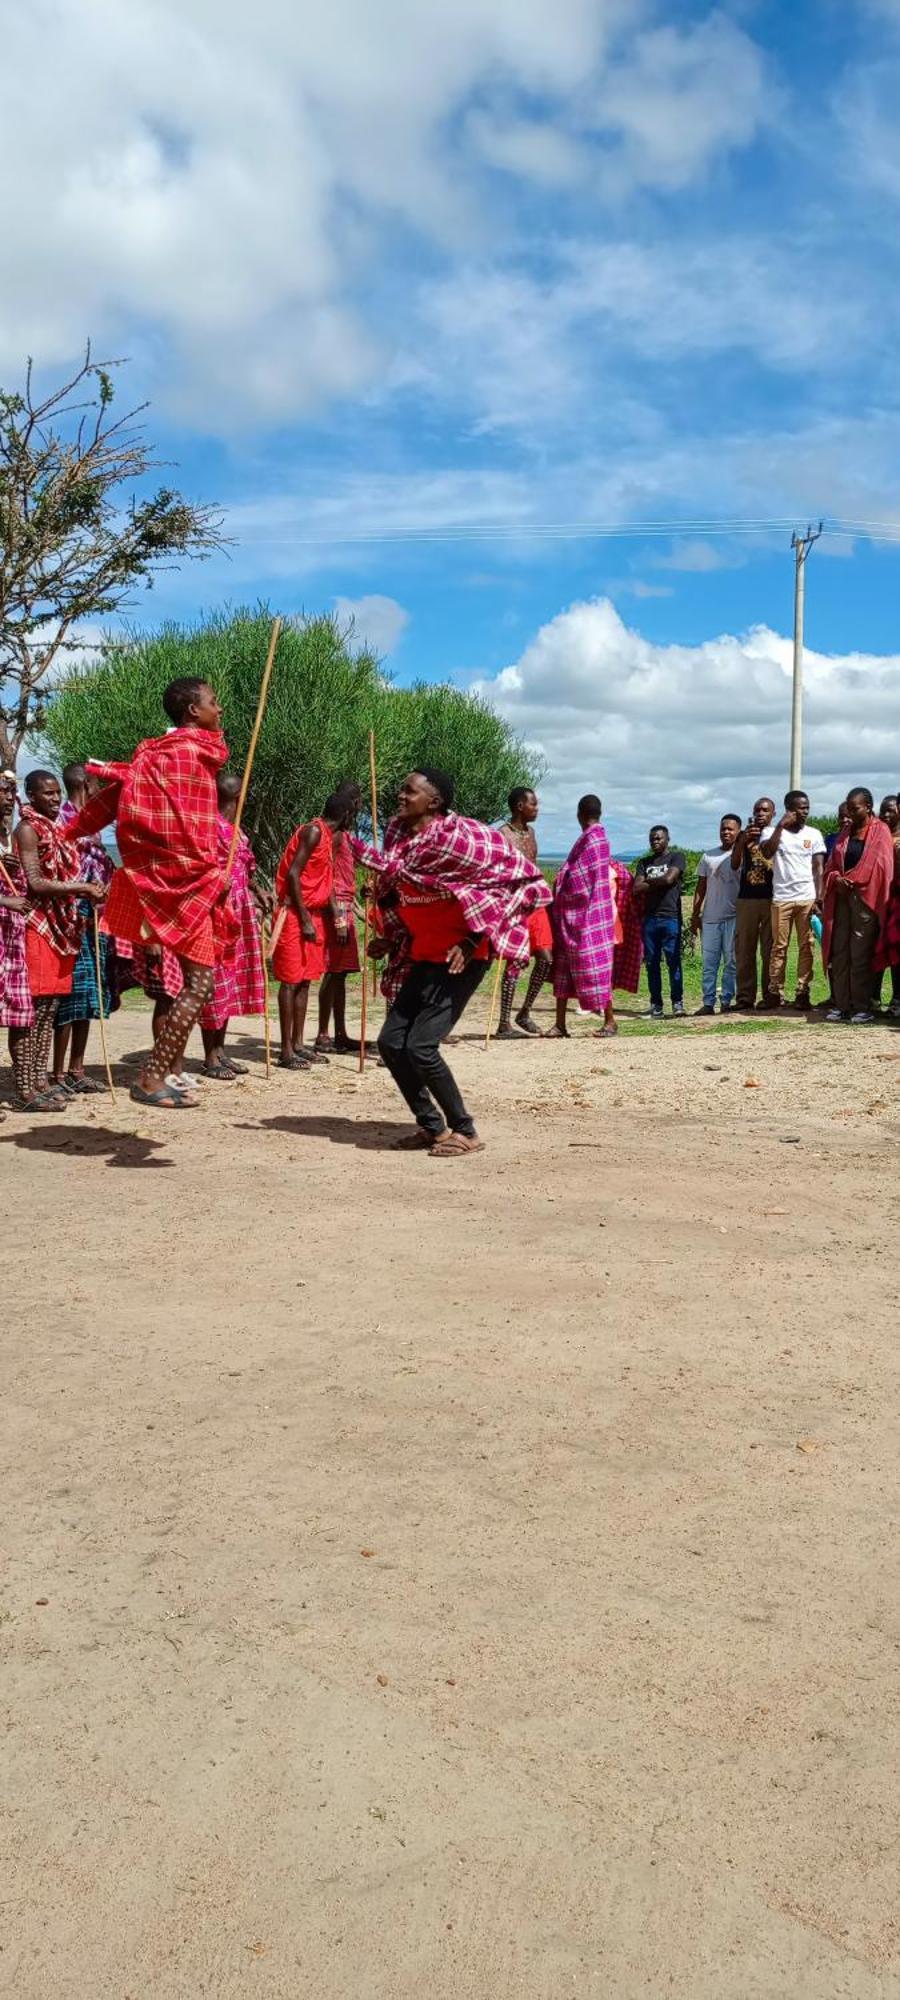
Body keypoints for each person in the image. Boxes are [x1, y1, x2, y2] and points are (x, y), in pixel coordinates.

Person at [353, 768, 550, 1158]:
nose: (401, 795)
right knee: (392, 1043)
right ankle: (432, 1127)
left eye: (410, 791)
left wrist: (473, 937)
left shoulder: (464, 839)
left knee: (422, 1046)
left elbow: (519, 882)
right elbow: (404, 893)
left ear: (435, 801)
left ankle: (466, 1130)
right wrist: (390, 938)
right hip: (422, 955)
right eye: (402, 788)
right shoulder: (400, 843)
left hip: (463, 958)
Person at [74, 677, 232, 1109]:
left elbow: (135, 806)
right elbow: (167, 822)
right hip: (187, 883)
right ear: (192, 712)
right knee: (198, 984)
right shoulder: (182, 755)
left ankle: (158, 1073)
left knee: (198, 984)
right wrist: (203, 866)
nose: (220, 711)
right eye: (213, 703)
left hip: (182, 882)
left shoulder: (165, 756)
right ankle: (152, 1077)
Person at [14, 769, 104, 1110]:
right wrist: (80, 887)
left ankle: (40, 1081)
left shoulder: (57, 829)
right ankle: (26, 1089)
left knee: (50, 1007)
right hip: (39, 923)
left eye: (56, 793)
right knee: (34, 1011)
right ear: (32, 795)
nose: (54, 799)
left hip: (62, 926)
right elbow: (35, 882)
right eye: (46, 794)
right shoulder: (27, 829)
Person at [272, 790, 356, 1070]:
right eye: (354, 811)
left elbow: (327, 883)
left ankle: (298, 1044)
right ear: (346, 814)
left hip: (314, 915)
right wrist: (306, 919)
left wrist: (337, 919)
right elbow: (294, 874)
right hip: (295, 914)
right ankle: (285, 1051)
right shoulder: (312, 832)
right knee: (290, 980)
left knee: (306, 979)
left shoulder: (330, 839)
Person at [51, 762, 119, 1094]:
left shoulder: (91, 827)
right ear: (87, 785)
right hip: (70, 916)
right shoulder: (64, 822)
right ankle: (59, 1073)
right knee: (70, 995)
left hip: (94, 915)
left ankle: (77, 1069)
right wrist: (86, 890)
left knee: (89, 995)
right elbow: (62, 873)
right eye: (97, 786)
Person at [197, 770, 269, 1079]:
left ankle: (221, 1050)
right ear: (238, 798)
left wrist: (256, 889)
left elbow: (245, 871)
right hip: (216, 915)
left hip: (239, 913)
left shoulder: (237, 832)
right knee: (215, 983)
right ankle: (209, 1057)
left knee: (229, 983)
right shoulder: (208, 829)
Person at [822, 787, 895, 1024]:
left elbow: (881, 866)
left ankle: (861, 1007)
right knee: (840, 951)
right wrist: (836, 879)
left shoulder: (880, 831)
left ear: (868, 807)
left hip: (866, 900)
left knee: (860, 953)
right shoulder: (845, 832)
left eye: (855, 808)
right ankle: (842, 1005)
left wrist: (852, 880)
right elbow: (832, 863)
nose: (850, 813)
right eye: (848, 808)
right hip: (841, 899)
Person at [550, 795, 617, 1037]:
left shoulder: (594, 841)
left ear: (579, 813)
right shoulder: (596, 840)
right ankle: (560, 1024)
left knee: (596, 967)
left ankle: (610, 1022)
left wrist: (560, 885)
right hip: (587, 915)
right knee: (563, 967)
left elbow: (579, 880)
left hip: (590, 917)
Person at [760, 790, 826, 1011]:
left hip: (806, 898)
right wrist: (780, 826)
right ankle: (774, 992)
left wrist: (819, 896)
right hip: (782, 898)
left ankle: (802, 991)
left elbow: (818, 868)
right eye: (800, 807)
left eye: (807, 807)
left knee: (806, 946)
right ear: (789, 809)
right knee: (779, 947)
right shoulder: (771, 831)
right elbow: (767, 853)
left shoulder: (814, 834)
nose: (805, 811)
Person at [498, 786, 553, 1037]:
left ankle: (524, 1012)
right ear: (520, 806)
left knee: (545, 958)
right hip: (514, 905)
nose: (537, 808)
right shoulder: (502, 835)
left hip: (535, 904)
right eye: (533, 804)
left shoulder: (531, 833)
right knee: (515, 962)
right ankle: (503, 1023)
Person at [316, 783, 364, 1054]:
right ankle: (323, 1034)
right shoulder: (333, 836)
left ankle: (340, 1032)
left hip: (346, 904)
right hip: (337, 908)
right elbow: (328, 875)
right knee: (333, 971)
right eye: (357, 801)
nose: (360, 806)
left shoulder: (345, 835)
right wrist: (338, 917)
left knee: (341, 974)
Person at [0, 771, 34, 1100]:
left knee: (21, 1015)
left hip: (13, 939)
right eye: (2, 791)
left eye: (11, 791)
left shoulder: (11, 836)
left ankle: (25, 1092)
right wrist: (4, 898)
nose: (8, 797)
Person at [633, 825, 686, 1018]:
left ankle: (678, 1003)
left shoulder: (677, 857)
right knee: (652, 964)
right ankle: (656, 1005)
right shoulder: (644, 862)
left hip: (670, 917)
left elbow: (670, 879)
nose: (655, 841)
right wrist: (660, 880)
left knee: (674, 961)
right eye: (652, 839)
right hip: (650, 920)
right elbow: (636, 888)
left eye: (659, 838)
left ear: (667, 839)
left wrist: (649, 881)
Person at [690, 814, 741, 1014]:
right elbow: (700, 888)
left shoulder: (742, 857)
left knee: (731, 962)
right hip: (710, 919)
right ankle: (708, 1003)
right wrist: (695, 914)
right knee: (709, 964)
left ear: (738, 831)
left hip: (734, 917)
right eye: (723, 829)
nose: (726, 832)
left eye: (730, 829)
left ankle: (727, 1001)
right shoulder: (707, 856)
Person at [730, 797, 776, 1010]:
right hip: (747, 898)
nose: (760, 814)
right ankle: (745, 997)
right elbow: (734, 864)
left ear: (773, 814)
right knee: (745, 949)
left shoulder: (777, 835)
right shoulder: (744, 835)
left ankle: (770, 994)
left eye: (765, 810)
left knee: (770, 950)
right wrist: (743, 839)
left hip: (771, 898)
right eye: (757, 810)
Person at [871, 797, 900, 1017]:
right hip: (878, 901)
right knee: (876, 949)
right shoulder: (878, 837)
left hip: (896, 900)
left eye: (891, 810)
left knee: (895, 950)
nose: (887, 815)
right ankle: (873, 997)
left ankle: (897, 999)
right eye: (883, 811)